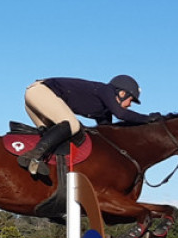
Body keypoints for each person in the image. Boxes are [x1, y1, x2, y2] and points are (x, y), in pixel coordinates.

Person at [17, 75, 157, 175]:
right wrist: (148, 119)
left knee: (58, 136)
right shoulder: (105, 91)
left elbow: (107, 134)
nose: (130, 105)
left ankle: (40, 168)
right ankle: (33, 156)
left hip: (34, 96)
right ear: (122, 93)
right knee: (72, 125)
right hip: (41, 92)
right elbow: (121, 115)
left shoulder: (104, 110)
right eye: (130, 100)